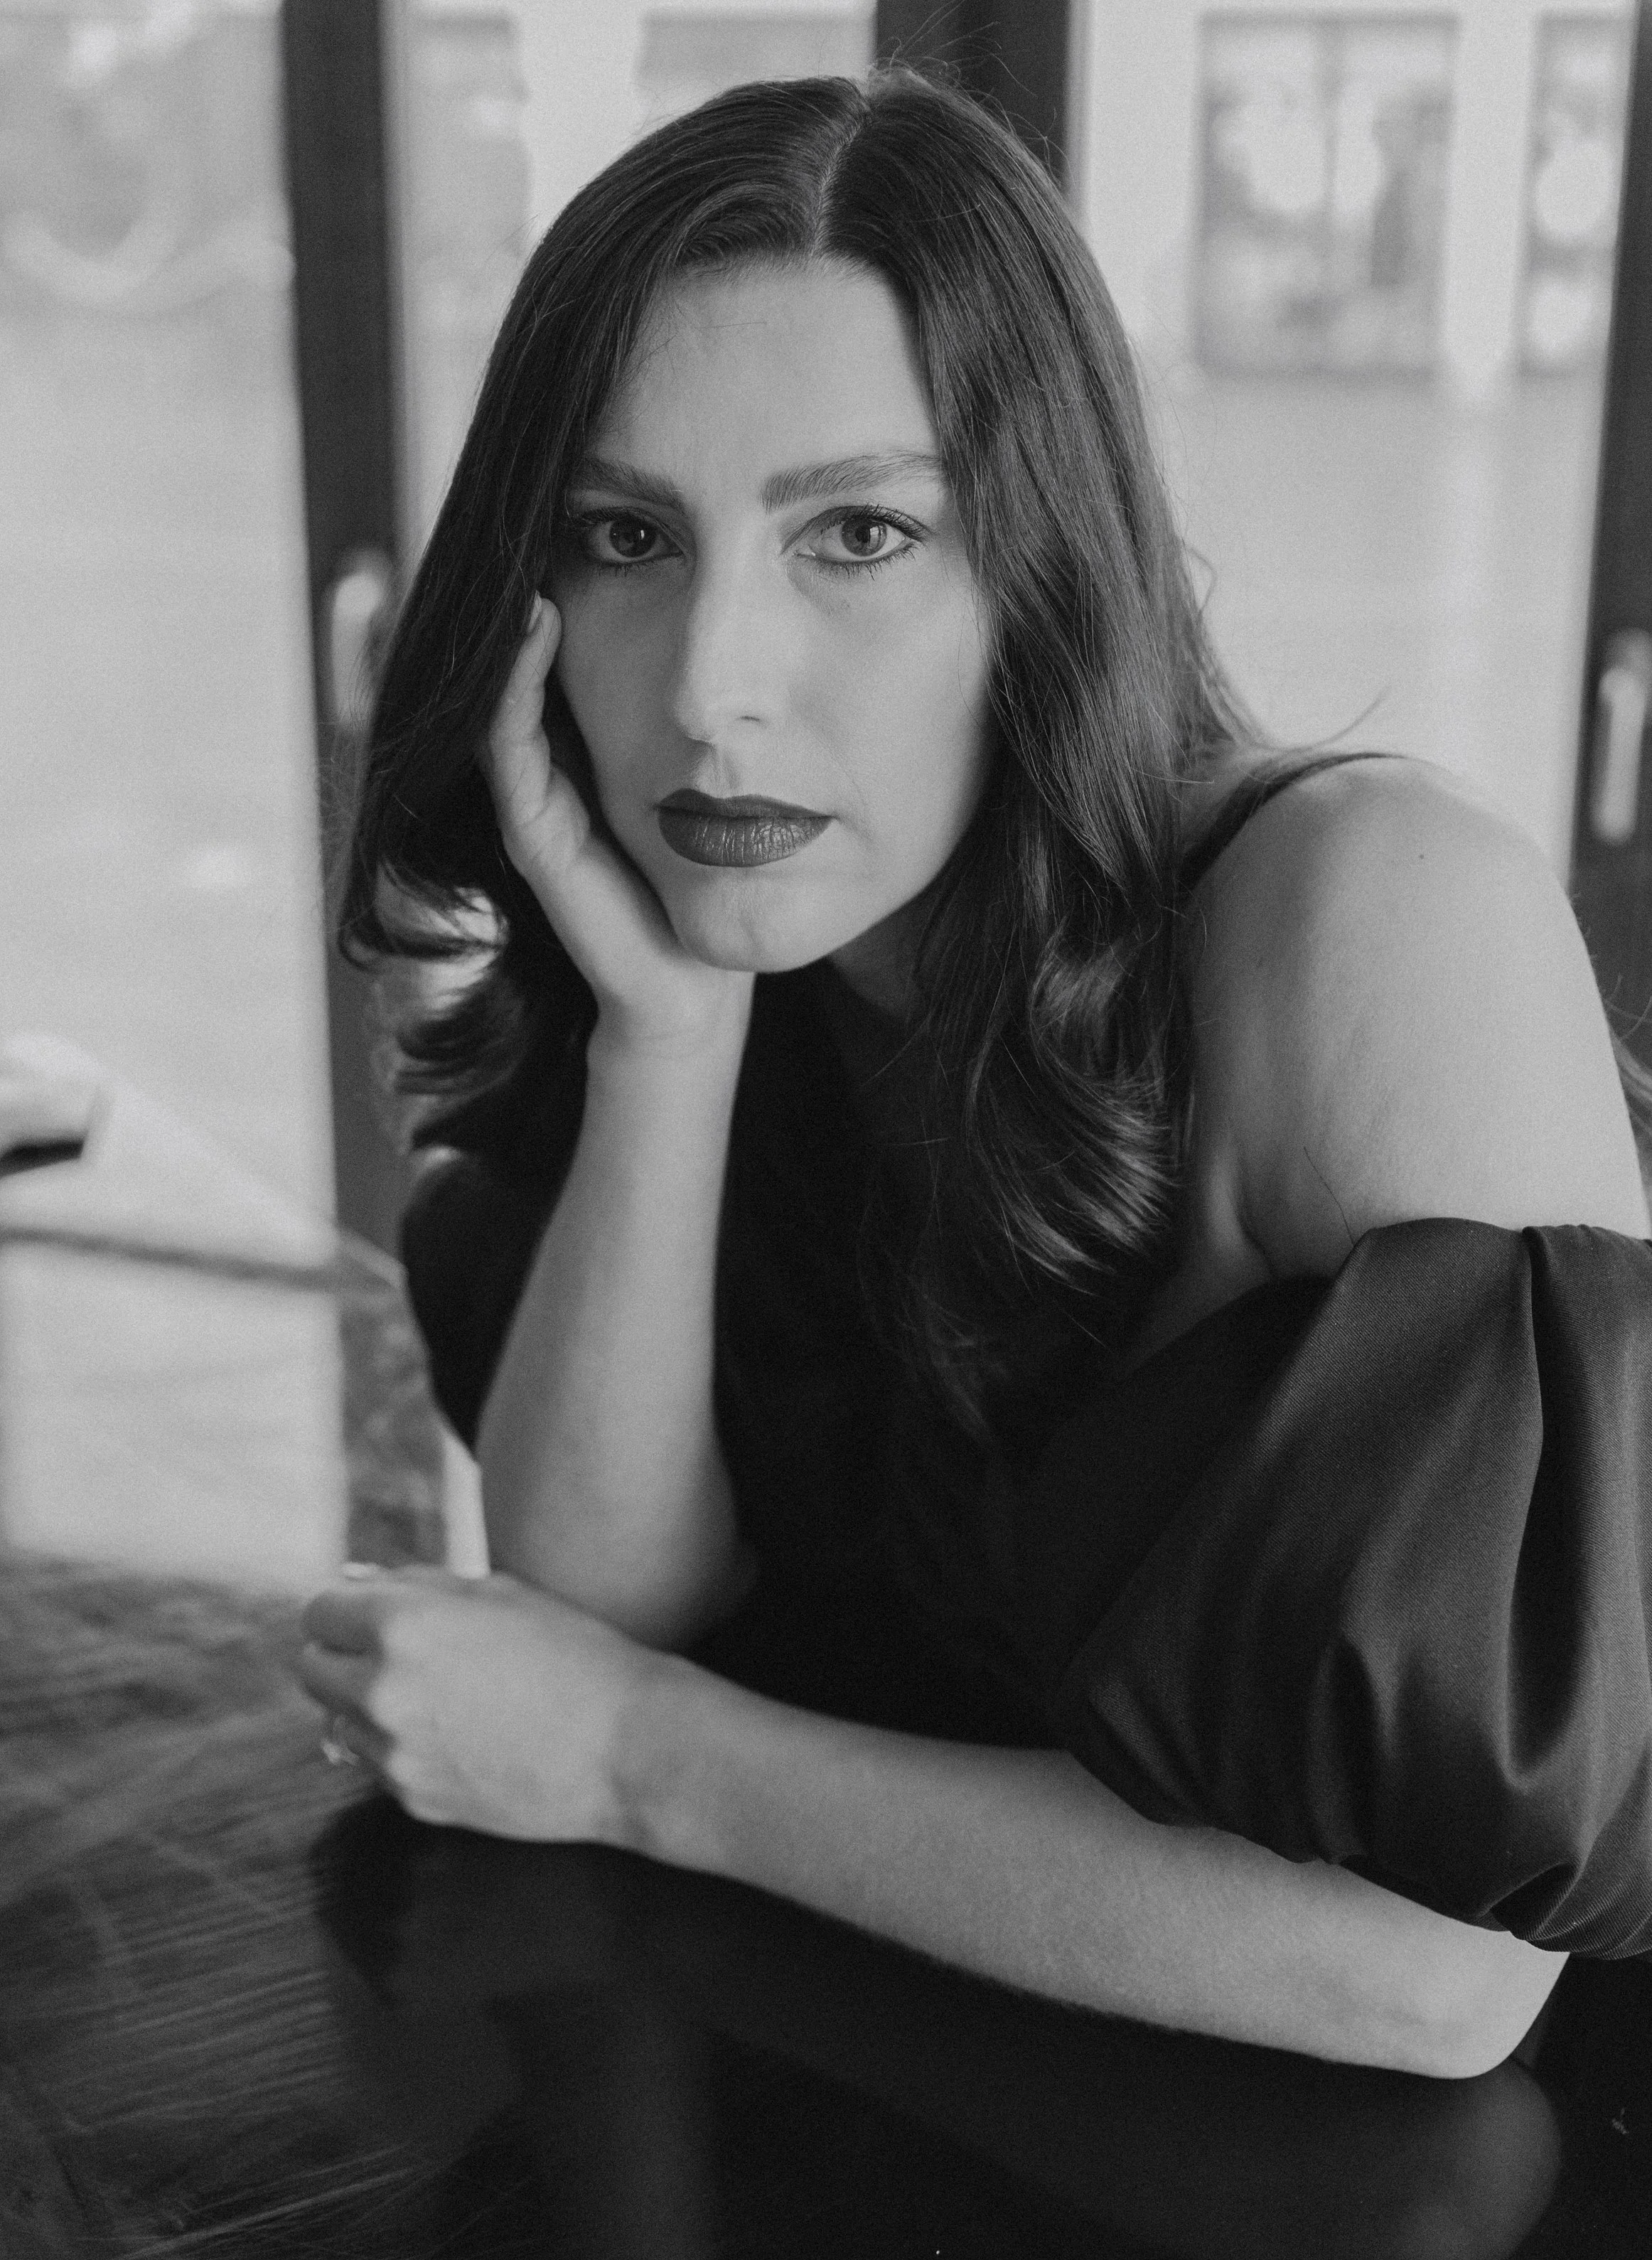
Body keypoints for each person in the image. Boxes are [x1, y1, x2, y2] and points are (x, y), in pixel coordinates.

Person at [298, 68, 1652, 2079]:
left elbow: (1427, 1973)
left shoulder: (1374, 910)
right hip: (1019, 2132)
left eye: (854, 532)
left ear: (1039, 570)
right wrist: (671, 1034)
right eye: (623, 534)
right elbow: (604, 1596)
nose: (708, 685)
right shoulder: (765, 947)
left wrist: (645, 1766)